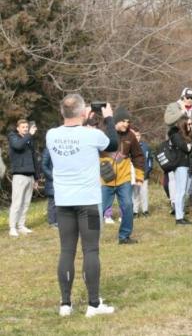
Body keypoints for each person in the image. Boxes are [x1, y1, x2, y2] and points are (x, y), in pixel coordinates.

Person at [47, 94, 118, 317]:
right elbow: (113, 144)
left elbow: (74, 135)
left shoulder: (51, 135)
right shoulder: (93, 135)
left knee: (66, 250)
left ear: (62, 113)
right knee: (91, 250)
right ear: (82, 112)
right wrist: (109, 119)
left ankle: (65, 304)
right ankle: (93, 304)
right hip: (88, 201)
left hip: (63, 202)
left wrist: (83, 118)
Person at [100, 108, 144, 244]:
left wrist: (139, 176)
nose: (126, 124)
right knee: (98, 209)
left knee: (127, 206)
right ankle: (90, 237)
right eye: (123, 121)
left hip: (123, 179)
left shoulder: (131, 136)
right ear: (116, 121)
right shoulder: (103, 133)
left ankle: (124, 236)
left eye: (128, 122)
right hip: (105, 179)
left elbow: (138, 156)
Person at [7, 118, 38, 237]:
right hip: (19, 176)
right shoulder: (13, 137)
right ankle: (12, 227)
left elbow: (34, 158)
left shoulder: (29, 140)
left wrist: (36, 177)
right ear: (18, 128)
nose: (25, 129)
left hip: (30, 175)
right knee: (17, 202)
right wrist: (29, 135)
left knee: (26, 203)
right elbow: (18, 146)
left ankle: (21, 225)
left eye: (27, 127)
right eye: (23, 127)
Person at [168, 116, 192, 225]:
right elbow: (186, 148)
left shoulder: (187, 136)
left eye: (191, 124)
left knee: (185, 192)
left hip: (187, 165)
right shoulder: (176, 136)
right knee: (180, 192)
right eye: (188, 124)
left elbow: (189, 147)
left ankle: (181, 214)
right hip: (180, 166)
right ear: (183, 125)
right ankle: (179, 217)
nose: (190, 126)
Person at [132, 128, 152, 218]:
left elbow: (150, 159)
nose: (137, 137)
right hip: (134, 174)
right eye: (135, 136)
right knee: (135, 193)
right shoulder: (130, 146)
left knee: (144, 192)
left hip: (144, 174)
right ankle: (135, 211)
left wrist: (149, 169)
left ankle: (145, 210)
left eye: (138, 135)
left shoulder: (145, 146)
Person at [41, 147, 57, 228]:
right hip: (52, 180)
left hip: (62, 179)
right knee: (53, 201)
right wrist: (52, 176)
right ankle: (52, 222)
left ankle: (59, 220)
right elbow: (43, 165)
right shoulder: (48, 149)